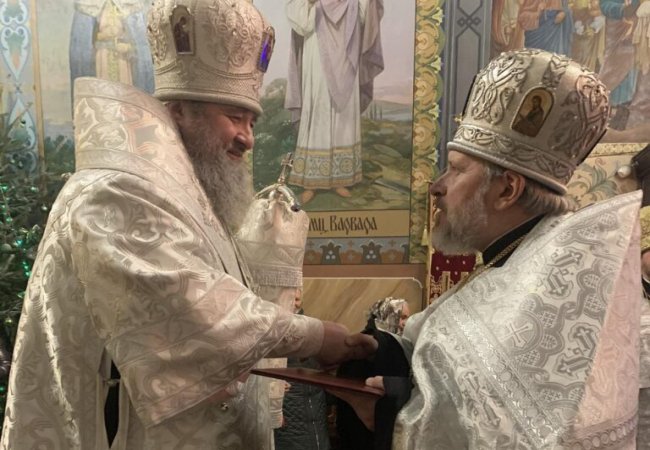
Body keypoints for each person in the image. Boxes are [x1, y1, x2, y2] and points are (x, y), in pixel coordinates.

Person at [0, 0, 374, 448]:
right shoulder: (116, 190)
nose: (248, 138)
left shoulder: (186, 193)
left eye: (252, 121)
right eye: (234, 117)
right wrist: (316, 337)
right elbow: (193, 310)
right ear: (180, 110)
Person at [334, 49, 642, 449]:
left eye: (457, 169)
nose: (437, 187)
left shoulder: (559, 285)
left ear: (507, 189)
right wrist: (383, 352)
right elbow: (458, 377)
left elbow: (523, 433)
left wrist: (394, 411)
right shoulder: (510, 258)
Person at [285, 0, 384, 204]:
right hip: (317, 49)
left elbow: (365, 16)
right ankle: (311, 181)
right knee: (317, 107)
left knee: (343, 112)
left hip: (347, 52)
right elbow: (302, 23)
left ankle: (341, 178)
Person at [274, 289, 331, 450]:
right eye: (291, 297)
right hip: (287, 416)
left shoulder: (315, 328)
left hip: (316, 416)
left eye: (298, 298)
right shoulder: (269, 331)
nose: (295, 302)